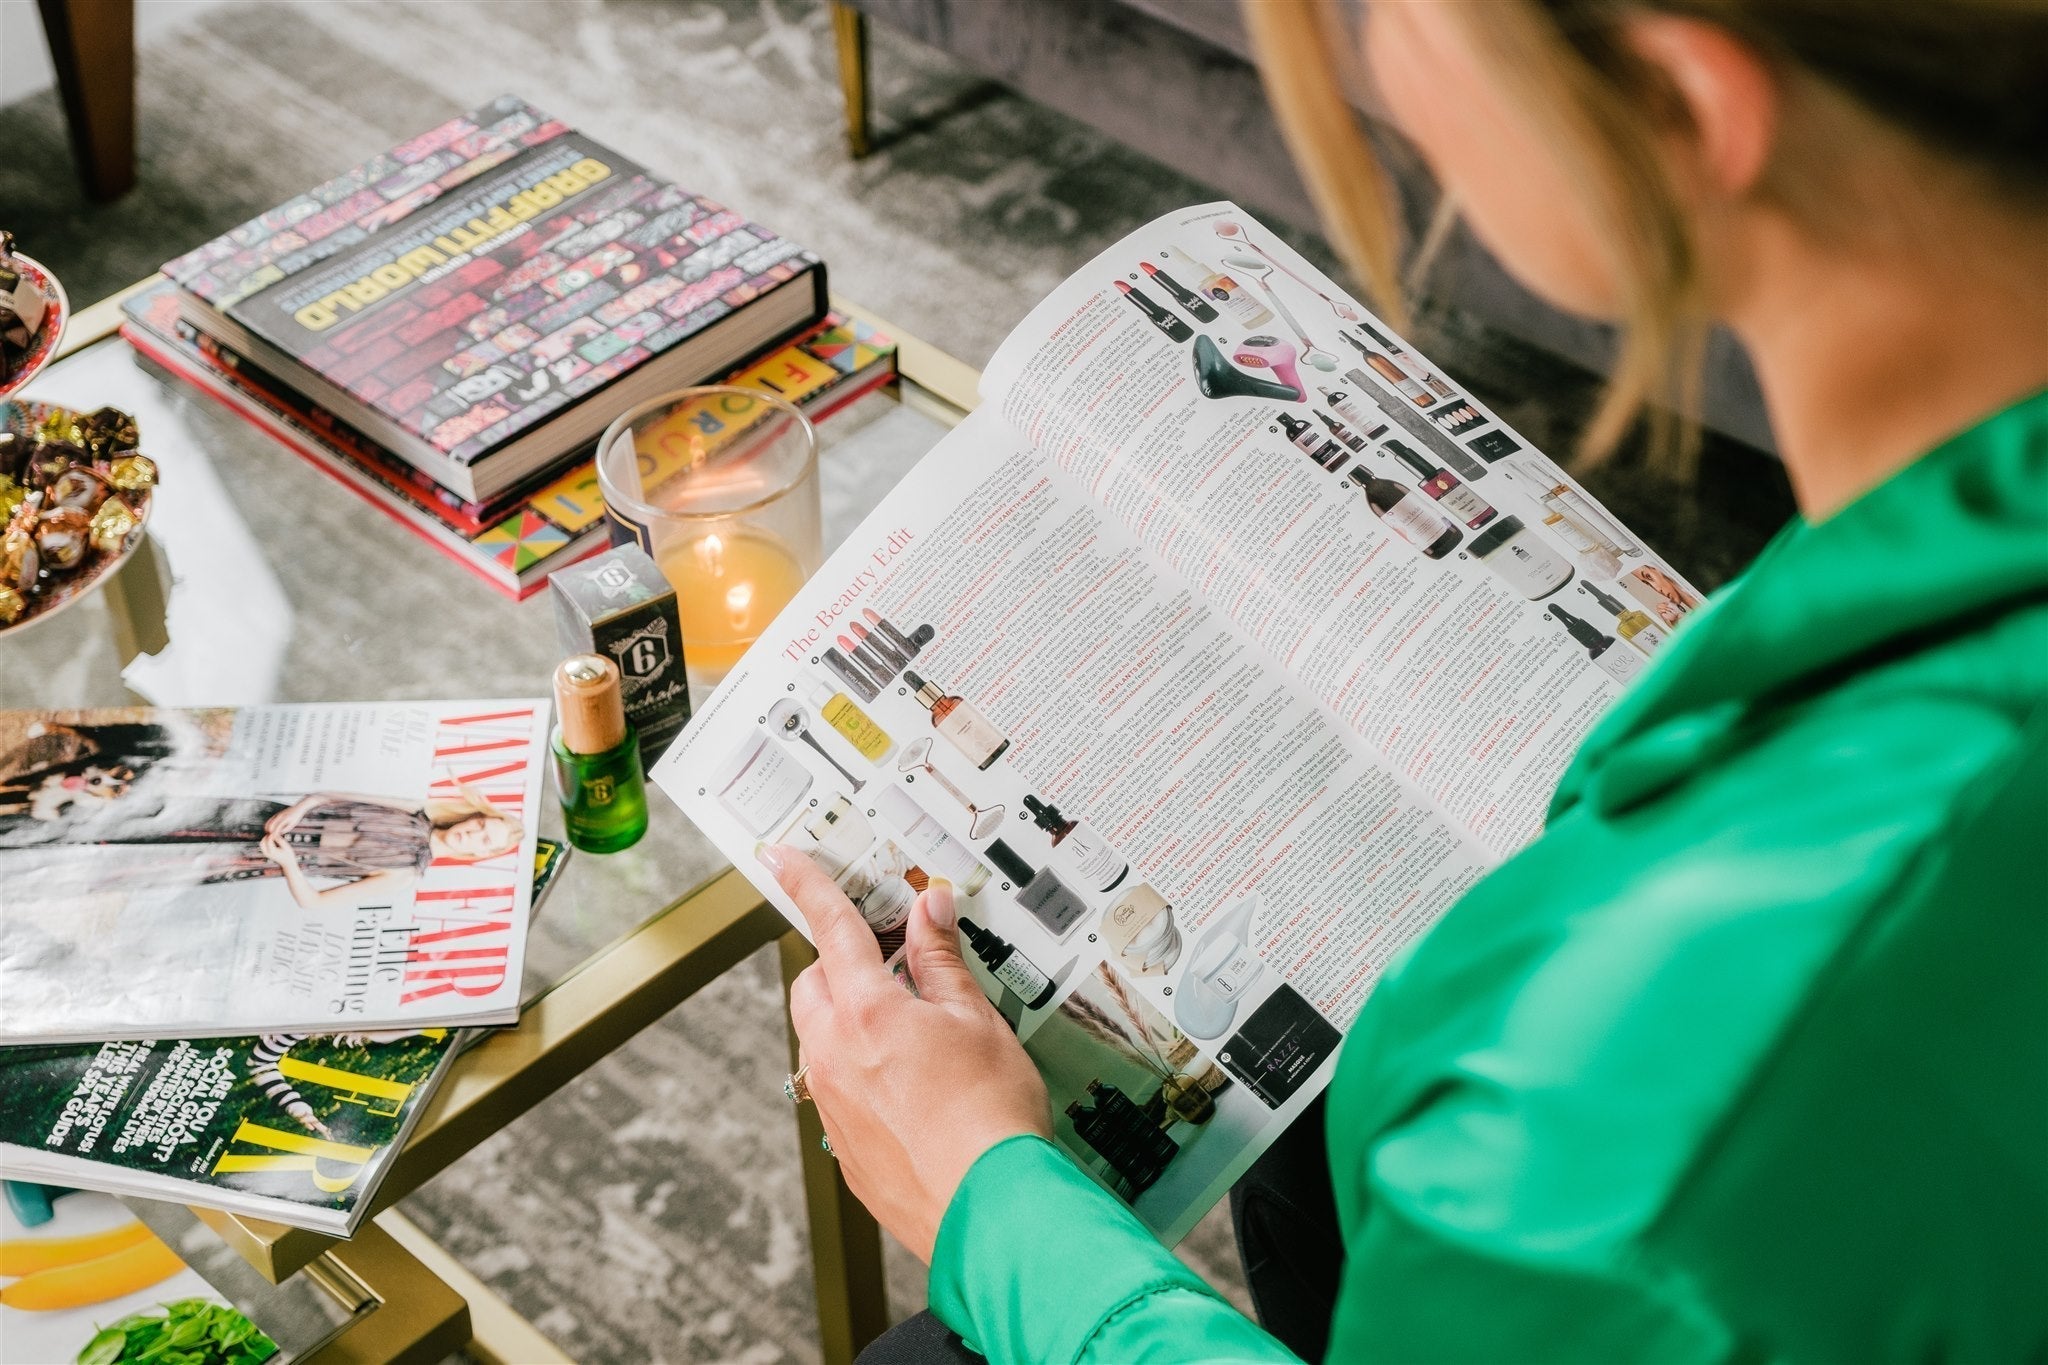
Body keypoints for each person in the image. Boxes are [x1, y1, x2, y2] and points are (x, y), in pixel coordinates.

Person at [764, 0, 2048, 1360]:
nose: (1364, 65)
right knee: (1303, 1143)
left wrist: (985, 1195)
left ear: (1679, 112)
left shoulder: (1615, 1161)